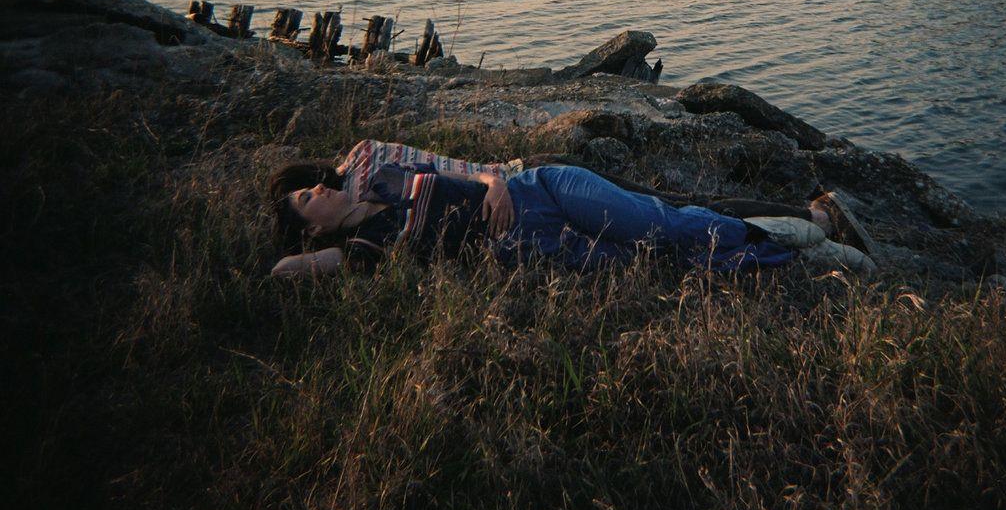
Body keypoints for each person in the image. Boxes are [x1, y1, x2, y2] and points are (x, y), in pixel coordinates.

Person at [269, 139, 835, 278]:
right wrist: (307, 248)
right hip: (536, 246)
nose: (317, 192)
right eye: (304, 200)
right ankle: (800, 251)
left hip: (542, 189)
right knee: (665, 262)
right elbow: (288, 270)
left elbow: (467, 171)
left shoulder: (388, 178)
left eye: (311, 186)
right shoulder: (367, 247)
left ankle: (805, 232)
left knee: (668, 223)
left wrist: (493, 183)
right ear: (310, 228)